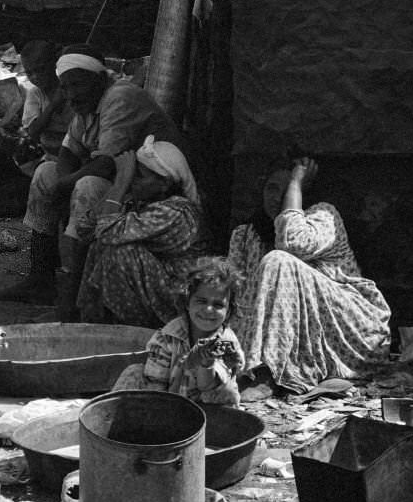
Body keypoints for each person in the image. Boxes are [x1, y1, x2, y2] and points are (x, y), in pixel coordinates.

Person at [0, 43, 184, 306]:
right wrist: (62, 184)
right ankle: (39, 280)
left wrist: (65, 185)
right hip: (120, 183)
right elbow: (68, 150)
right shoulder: (86, 103)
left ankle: (75, 296)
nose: (70, 95)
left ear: (99, 79)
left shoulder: (120, 97)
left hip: (151, 189)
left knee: (87, 186)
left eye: (77, 86)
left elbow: (104, 164)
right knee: (45, 173)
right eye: (65, 88)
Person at [228, 157, 391, 393]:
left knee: (278, 260)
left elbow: (291, 241)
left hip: (350, 329)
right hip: (298, 339)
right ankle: (260, 368)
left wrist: (297, 182)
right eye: (272, 188)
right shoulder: (244, 235)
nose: (277, 197)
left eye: (287, 190)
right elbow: (236, 297)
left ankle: (270, 373)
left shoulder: (324, 216)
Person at [77, 135, 207, 326]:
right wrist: (118, 187)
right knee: (100, 246)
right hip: (156, 288)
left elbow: (108, 232)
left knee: (120, 252)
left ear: (165, 183)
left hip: (179, 297)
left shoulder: (176, 211)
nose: (133, 181)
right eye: (132, 174)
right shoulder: (142, 202)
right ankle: (94, 325)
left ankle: (136, 331)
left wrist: (121, 182)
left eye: (139, 176)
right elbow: (86, 230)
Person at [113, 257, 244, 406]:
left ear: (228, 312)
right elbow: (156, 387)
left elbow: (208, 387)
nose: (208, 310)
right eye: (201, 301)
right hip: (168, 403)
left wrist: (206, 362)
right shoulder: (168, 337)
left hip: (208, 413)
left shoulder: (226, 343)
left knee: (226, 390)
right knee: (134, 372)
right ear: (188, 303)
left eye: (218, 305)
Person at [18, 39, 74, 164]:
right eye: (29, 73)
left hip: (78, 156)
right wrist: (53, 104)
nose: (35, 77)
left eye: (41, 70)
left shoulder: (71, 88)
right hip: (52, 157)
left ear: (54, 64)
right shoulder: (35, 93)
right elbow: (33, 132)